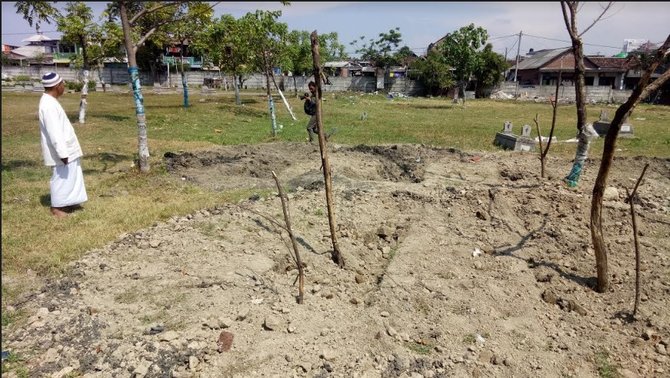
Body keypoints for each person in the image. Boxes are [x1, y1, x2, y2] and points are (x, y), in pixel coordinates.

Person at [38, 72, 88, 218]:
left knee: (72, 175)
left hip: (68, 148)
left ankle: (70, 201)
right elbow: (55, 133)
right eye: (62, 84)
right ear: (56, 86)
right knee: (61, 177)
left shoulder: (51, 101)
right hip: (63, 150)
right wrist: (63, 154)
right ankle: (57, 207)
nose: (64, 86)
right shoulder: (48, 105)